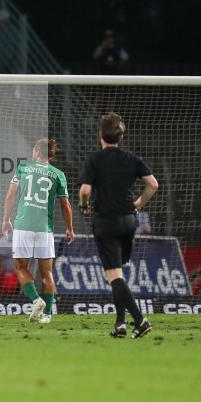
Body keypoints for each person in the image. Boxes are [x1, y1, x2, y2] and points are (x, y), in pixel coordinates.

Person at [79, 113, 157, 339]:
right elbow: (153, 184)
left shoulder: (95, 159)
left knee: (114, 276)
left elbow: (85, 191)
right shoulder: (131, 158)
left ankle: (140, 320)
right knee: (118, 272)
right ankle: (120, 323)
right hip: (129, 221)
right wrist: (139, 204)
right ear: (120, 137)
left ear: (100, 135)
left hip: (107, 221)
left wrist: (84, 206)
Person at [2, 139, 75, 324]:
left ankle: (36, 300)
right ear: (51, 154)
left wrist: (5, 220)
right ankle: (47, 315)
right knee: (47, 273)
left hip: (24, 226)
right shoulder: (58, 174)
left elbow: (10, 195)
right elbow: (65, 205)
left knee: (20, 267)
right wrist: (70, 228)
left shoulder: (23, 168)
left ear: (36, 152)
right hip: (45, 229)